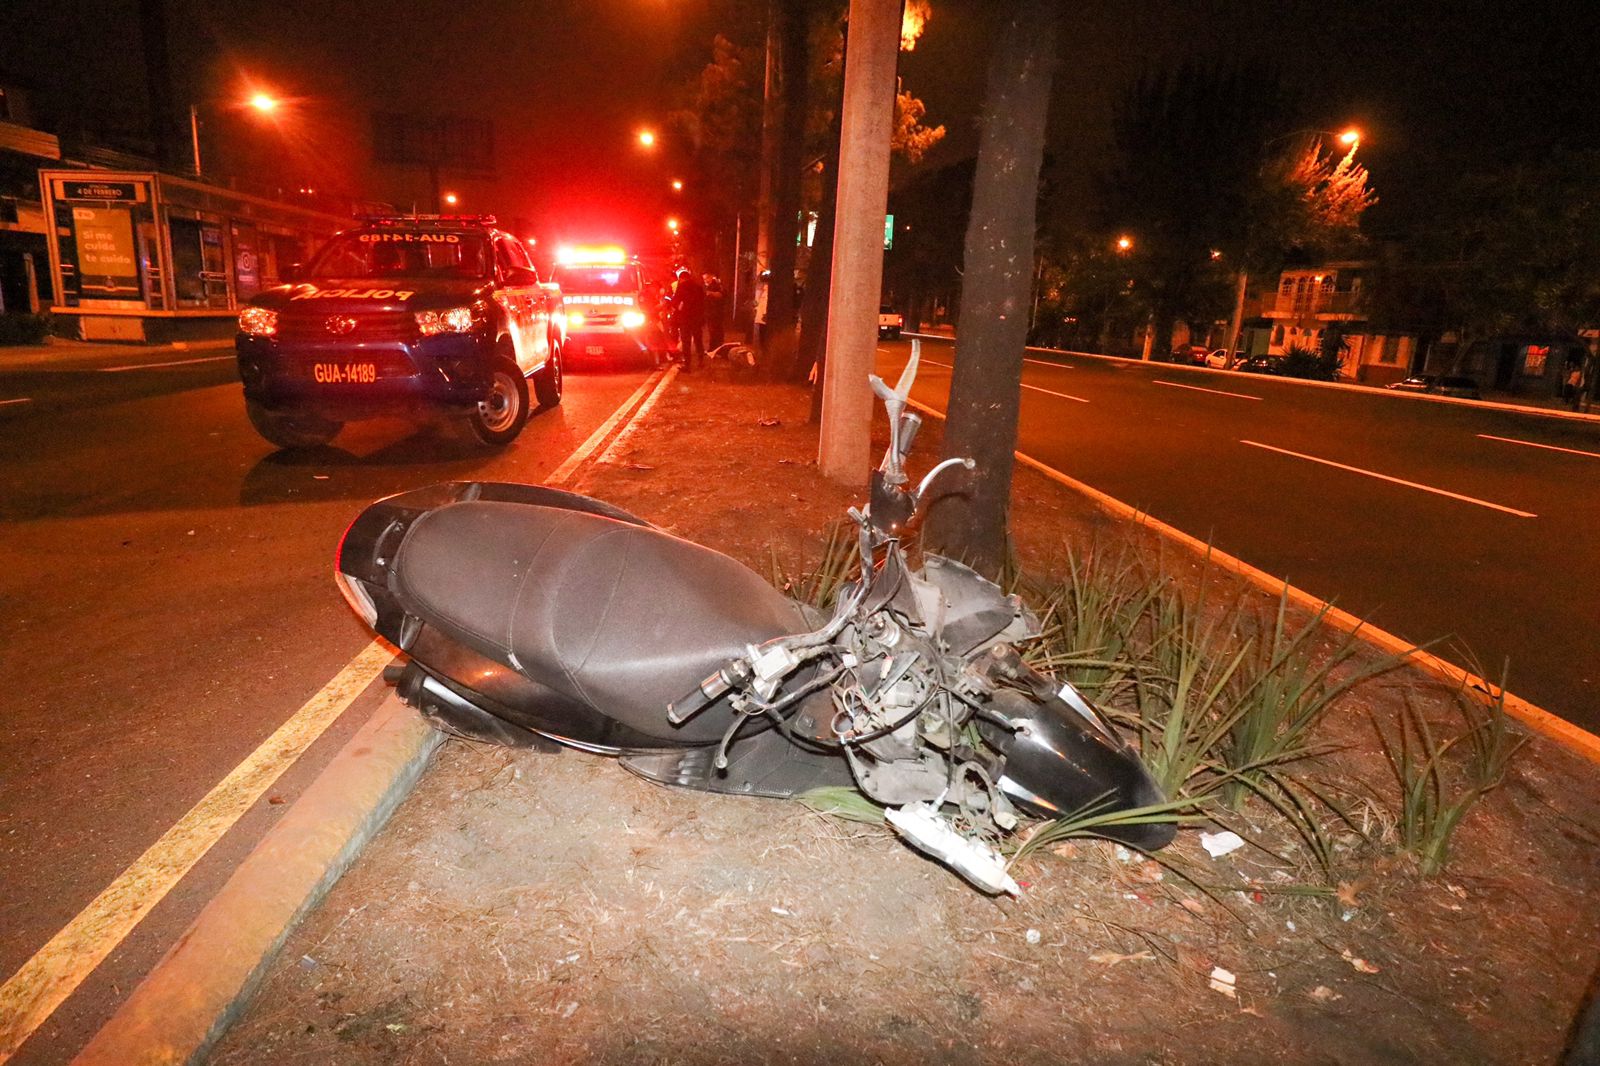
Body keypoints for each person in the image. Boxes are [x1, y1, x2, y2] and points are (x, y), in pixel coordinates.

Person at [669, 267, 706, 372]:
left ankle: (688, 364)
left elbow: (675, 301)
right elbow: (703, 303)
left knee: (686, 341)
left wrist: (677, 307)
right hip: (697, 318)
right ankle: (701, 360)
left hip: (685, 318)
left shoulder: (681, 287)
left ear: (681, 279)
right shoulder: (698, 287)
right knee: (698, 340)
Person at [703, 274, 726, 350]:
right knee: (712, 331)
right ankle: (714, 348)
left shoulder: (716, 285)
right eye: (704, 279)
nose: (705, 280)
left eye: (706, 278)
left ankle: (716, 348)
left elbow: (721, 295)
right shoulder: (707, 286)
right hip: (710, 312)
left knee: (716, 331)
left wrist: (711, 293)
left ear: (711, 276)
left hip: (716, 312)